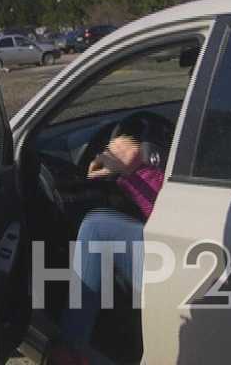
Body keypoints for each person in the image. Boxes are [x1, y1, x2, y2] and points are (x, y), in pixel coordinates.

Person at [46, 119, 166, 365]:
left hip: (198, 260)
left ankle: (70, 352)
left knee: (96, 229)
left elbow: (172, 215)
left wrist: (137, 168)